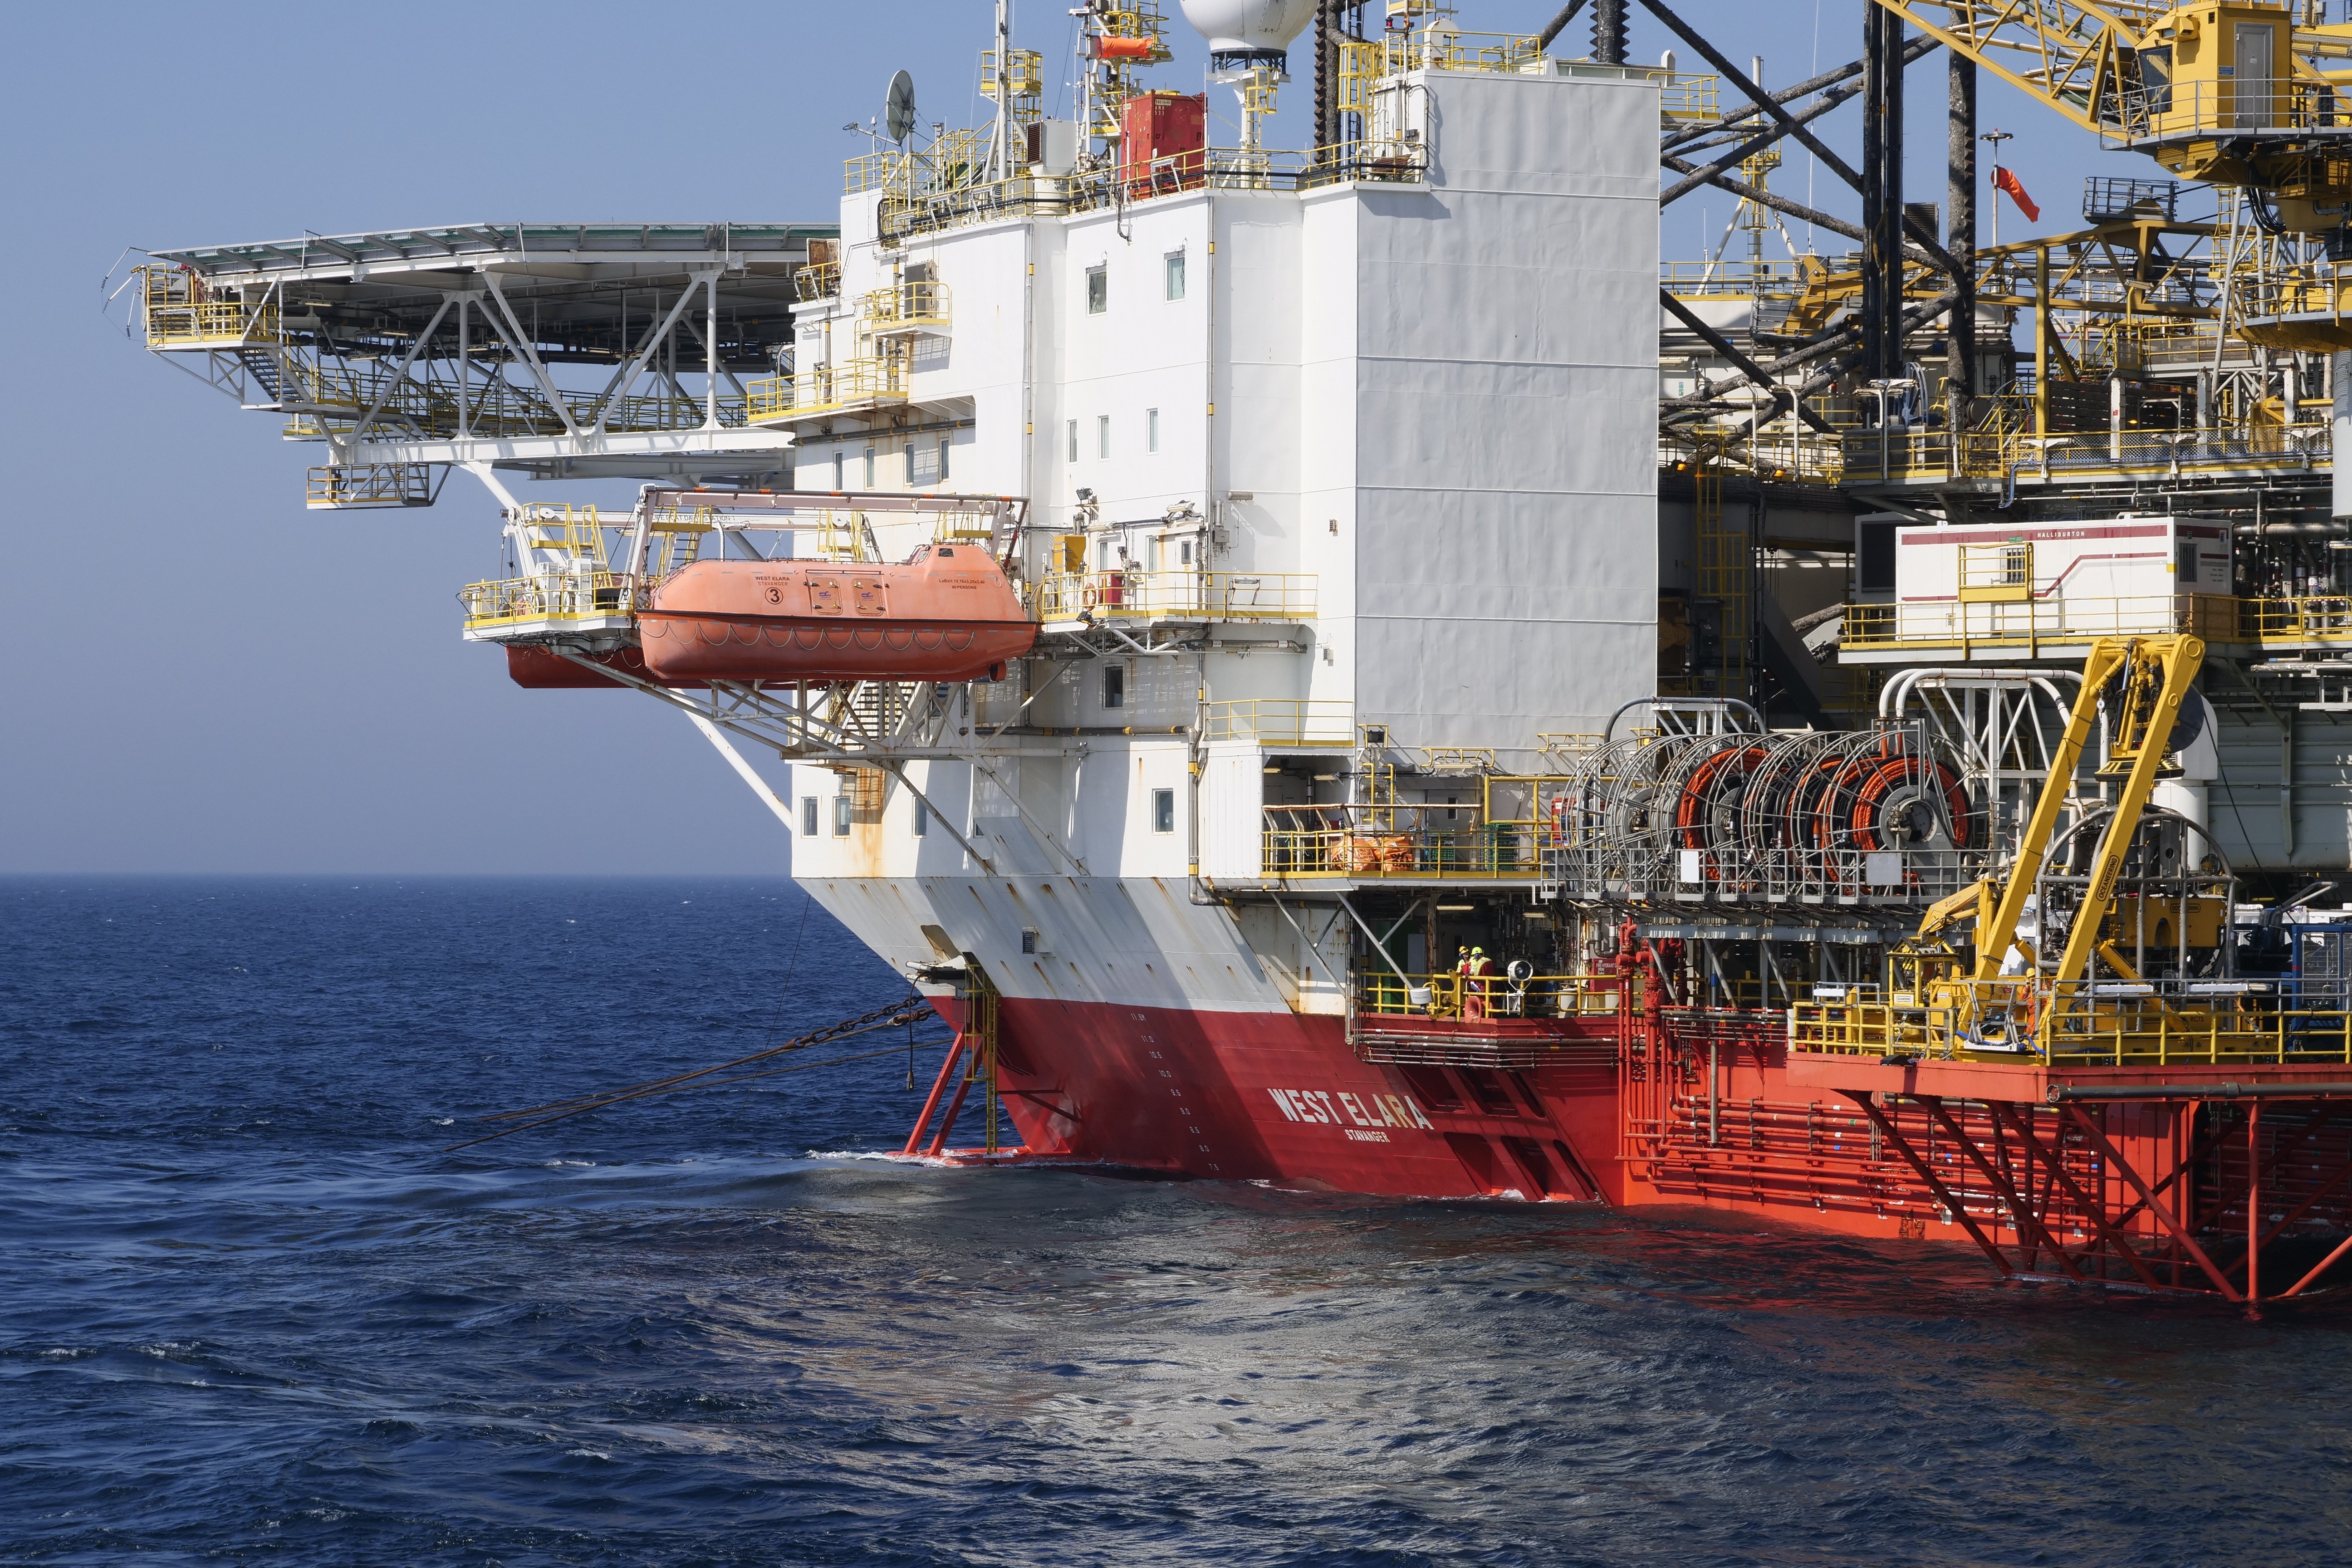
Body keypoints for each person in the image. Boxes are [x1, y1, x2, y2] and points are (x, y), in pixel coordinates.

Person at [1464, 946, 1494, 1020]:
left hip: (1483, 985)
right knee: (1492, 998)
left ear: (1477, 955)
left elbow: (1477, 974)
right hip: (1491, 984)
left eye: (1475, 956)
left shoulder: (1480, 962)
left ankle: (1483, 1014)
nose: (1474, 958)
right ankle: (1493, 1014)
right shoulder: (1489, 960)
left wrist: (1470, 975)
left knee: (1483, 999)